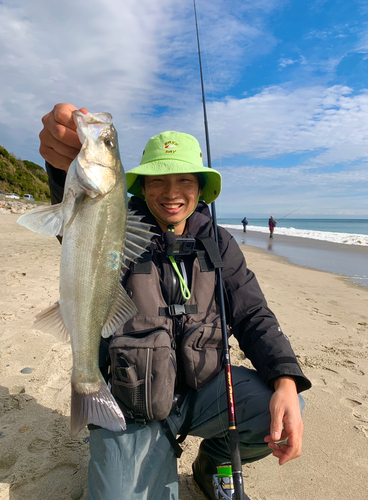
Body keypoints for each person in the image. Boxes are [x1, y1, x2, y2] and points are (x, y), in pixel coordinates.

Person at [39, 103, 311, 500]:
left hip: (208, 389)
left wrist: (286, 380)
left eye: (185, 180)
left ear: (200, 189)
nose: (171, 193)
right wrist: (60, 168)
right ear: (139, 187)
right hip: (135, 395)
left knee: (285, 409)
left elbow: (253, 315)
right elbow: (79, 232)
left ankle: (212, 463)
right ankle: (138, 449)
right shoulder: (116, 227)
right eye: (158, 180)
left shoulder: (219, 244)